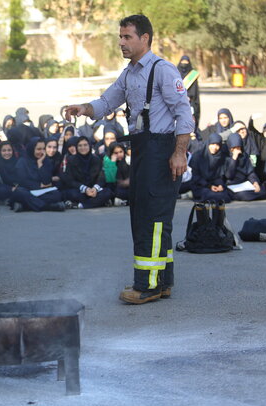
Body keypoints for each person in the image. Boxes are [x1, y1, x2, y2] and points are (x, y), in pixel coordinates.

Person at [65, 14, 194, 304]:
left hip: (161, 149)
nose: (121, 42)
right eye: (120, 37)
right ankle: (162, 281)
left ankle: (146, 285)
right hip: (143, 150)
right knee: (148, 214)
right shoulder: (129, 73)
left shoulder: (163, 70)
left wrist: (179, 153)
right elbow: (107, 101)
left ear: (144, 38)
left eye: (127, 37)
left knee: (152, 217)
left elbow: (184, 114)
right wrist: (82, 108)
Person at [12, 137, 65, 212]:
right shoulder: (22, 161)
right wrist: (38, 186)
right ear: (32, 148)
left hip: (41, 192)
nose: (42, 152)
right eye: (38, 149)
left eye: (43, 149)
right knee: (20, 192)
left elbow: (46, 181)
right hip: (27, 190)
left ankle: (25, 206)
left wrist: (40, 165)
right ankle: (48, 207)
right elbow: (22, 181)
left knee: (57, 194)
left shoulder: (45, 160)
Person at [61, 136, 113, 209]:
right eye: (80, 145)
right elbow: (70, 180)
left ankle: (81, 205)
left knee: (107, 192)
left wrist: (95, 188)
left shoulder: (96, 160)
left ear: (89, 145)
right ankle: (98, 203)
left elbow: (101, 178)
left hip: (94, 191)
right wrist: (85, 189)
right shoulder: (71, 160)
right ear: (77, 147)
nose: (83, 148)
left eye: (85, 145)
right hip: (80, 190)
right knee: (70, 193)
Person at [224, 133, 266, 201]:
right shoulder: (226, 157)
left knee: (263, 191)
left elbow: (250, 172)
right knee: (244, 196)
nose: (237, 150)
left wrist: (255, 182)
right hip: (232, 185)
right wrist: (234, 159)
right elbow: (229, 175)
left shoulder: (244, 156)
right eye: (234, 148)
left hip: (245, 184)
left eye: (238, 147)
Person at [190, 133, 231, 203]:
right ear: (208, 143)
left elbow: (220, 175)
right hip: (200, 185)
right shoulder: (198, 156)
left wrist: (220, 185)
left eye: (217, 145)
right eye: (212, 144)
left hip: (215, 185)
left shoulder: (220, 157)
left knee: (225, 196)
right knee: (210, 195)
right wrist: (209, 186)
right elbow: (196, 177)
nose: (215, 147)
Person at [0, 141, 18, 206]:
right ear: (0, 151)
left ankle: (13, 201)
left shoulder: (17, 162)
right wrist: (11, 189)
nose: (7, 153)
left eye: (9, 150)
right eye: (4, 150)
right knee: (0, 191)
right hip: (4, 189)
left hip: (17, 188)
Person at [177, 55, 200, 128]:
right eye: (183, 62)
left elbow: (195, 89)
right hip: (177, 100)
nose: (184, 64)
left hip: (190, 101)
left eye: (186, 62)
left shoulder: (192, 75)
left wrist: (189, 96)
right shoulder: (175, 73)